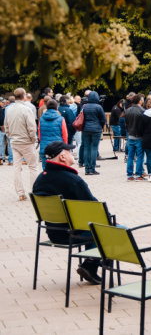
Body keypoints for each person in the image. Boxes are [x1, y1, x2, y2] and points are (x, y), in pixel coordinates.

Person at [32, 142, 102, 284]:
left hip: (53, 232)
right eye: (69, 151)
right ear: (62, 157)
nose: (72, 154)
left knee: (95, 224)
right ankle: (91, 263)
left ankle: (91, 262)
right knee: (110, 229)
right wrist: (111, 220)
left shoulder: (40, 179)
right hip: (73, 233)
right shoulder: (72, 180)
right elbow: (94, 208)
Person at [9, 89, 40, 199]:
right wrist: (33, 139)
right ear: (24, 96)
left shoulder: (9, 109)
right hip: (26, 141)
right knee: (33, 167)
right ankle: (35, 191)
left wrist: (11, 136)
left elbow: (6, 126)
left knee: (16, 168)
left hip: (14, 141)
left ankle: (20, 193)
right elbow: (32, 127)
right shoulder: (26, 109)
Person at [78, 91, 105, 176]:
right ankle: (92, 168)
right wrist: (100, 126)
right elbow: (103, 119)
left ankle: (87, 168)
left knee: (86, 148)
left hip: (85, 129)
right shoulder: (99, 107)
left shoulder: (84, 106)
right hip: (96, 129)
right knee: (94, 148)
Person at [38, 99, 68, 170]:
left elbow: (39, 134)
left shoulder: (42, 119)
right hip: (57, 147)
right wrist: (65, 146)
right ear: (56, 108)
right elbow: (64, 135)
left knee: (45, 168)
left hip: (45, 147)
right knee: (58, 168)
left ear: (46, 107)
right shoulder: (61, 119)